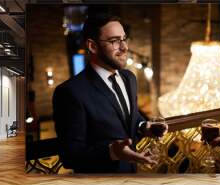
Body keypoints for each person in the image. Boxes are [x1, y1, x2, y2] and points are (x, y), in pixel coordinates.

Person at [53, 13, 167, 173]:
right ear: (92, 46)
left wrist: (143, 127)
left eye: (124, 39)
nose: (124, 47)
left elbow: (129, 118)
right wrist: (112, 152)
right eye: (114, 41)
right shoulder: (69, 92)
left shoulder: (129, 78)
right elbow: (70, 156)